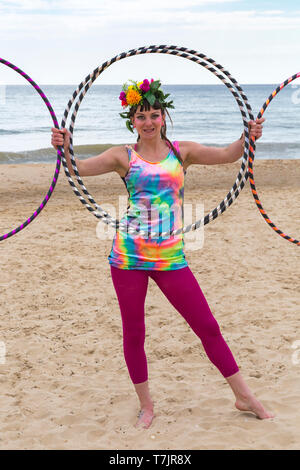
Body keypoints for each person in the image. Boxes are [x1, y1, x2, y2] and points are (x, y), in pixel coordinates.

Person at [51, 78, 274, 429]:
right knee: (134, 333)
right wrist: (62, 147)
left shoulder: (181, 152)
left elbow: (230, 155)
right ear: (132, 121)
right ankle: (146, 405)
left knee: (207, 326)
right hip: (128, 258)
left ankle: (244, 395)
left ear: (164, 117)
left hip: (171, 257)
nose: (149, 121)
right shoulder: (122, 156)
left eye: (155, 114)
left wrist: (249, 136)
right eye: (142, 116)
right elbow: (76, 168)